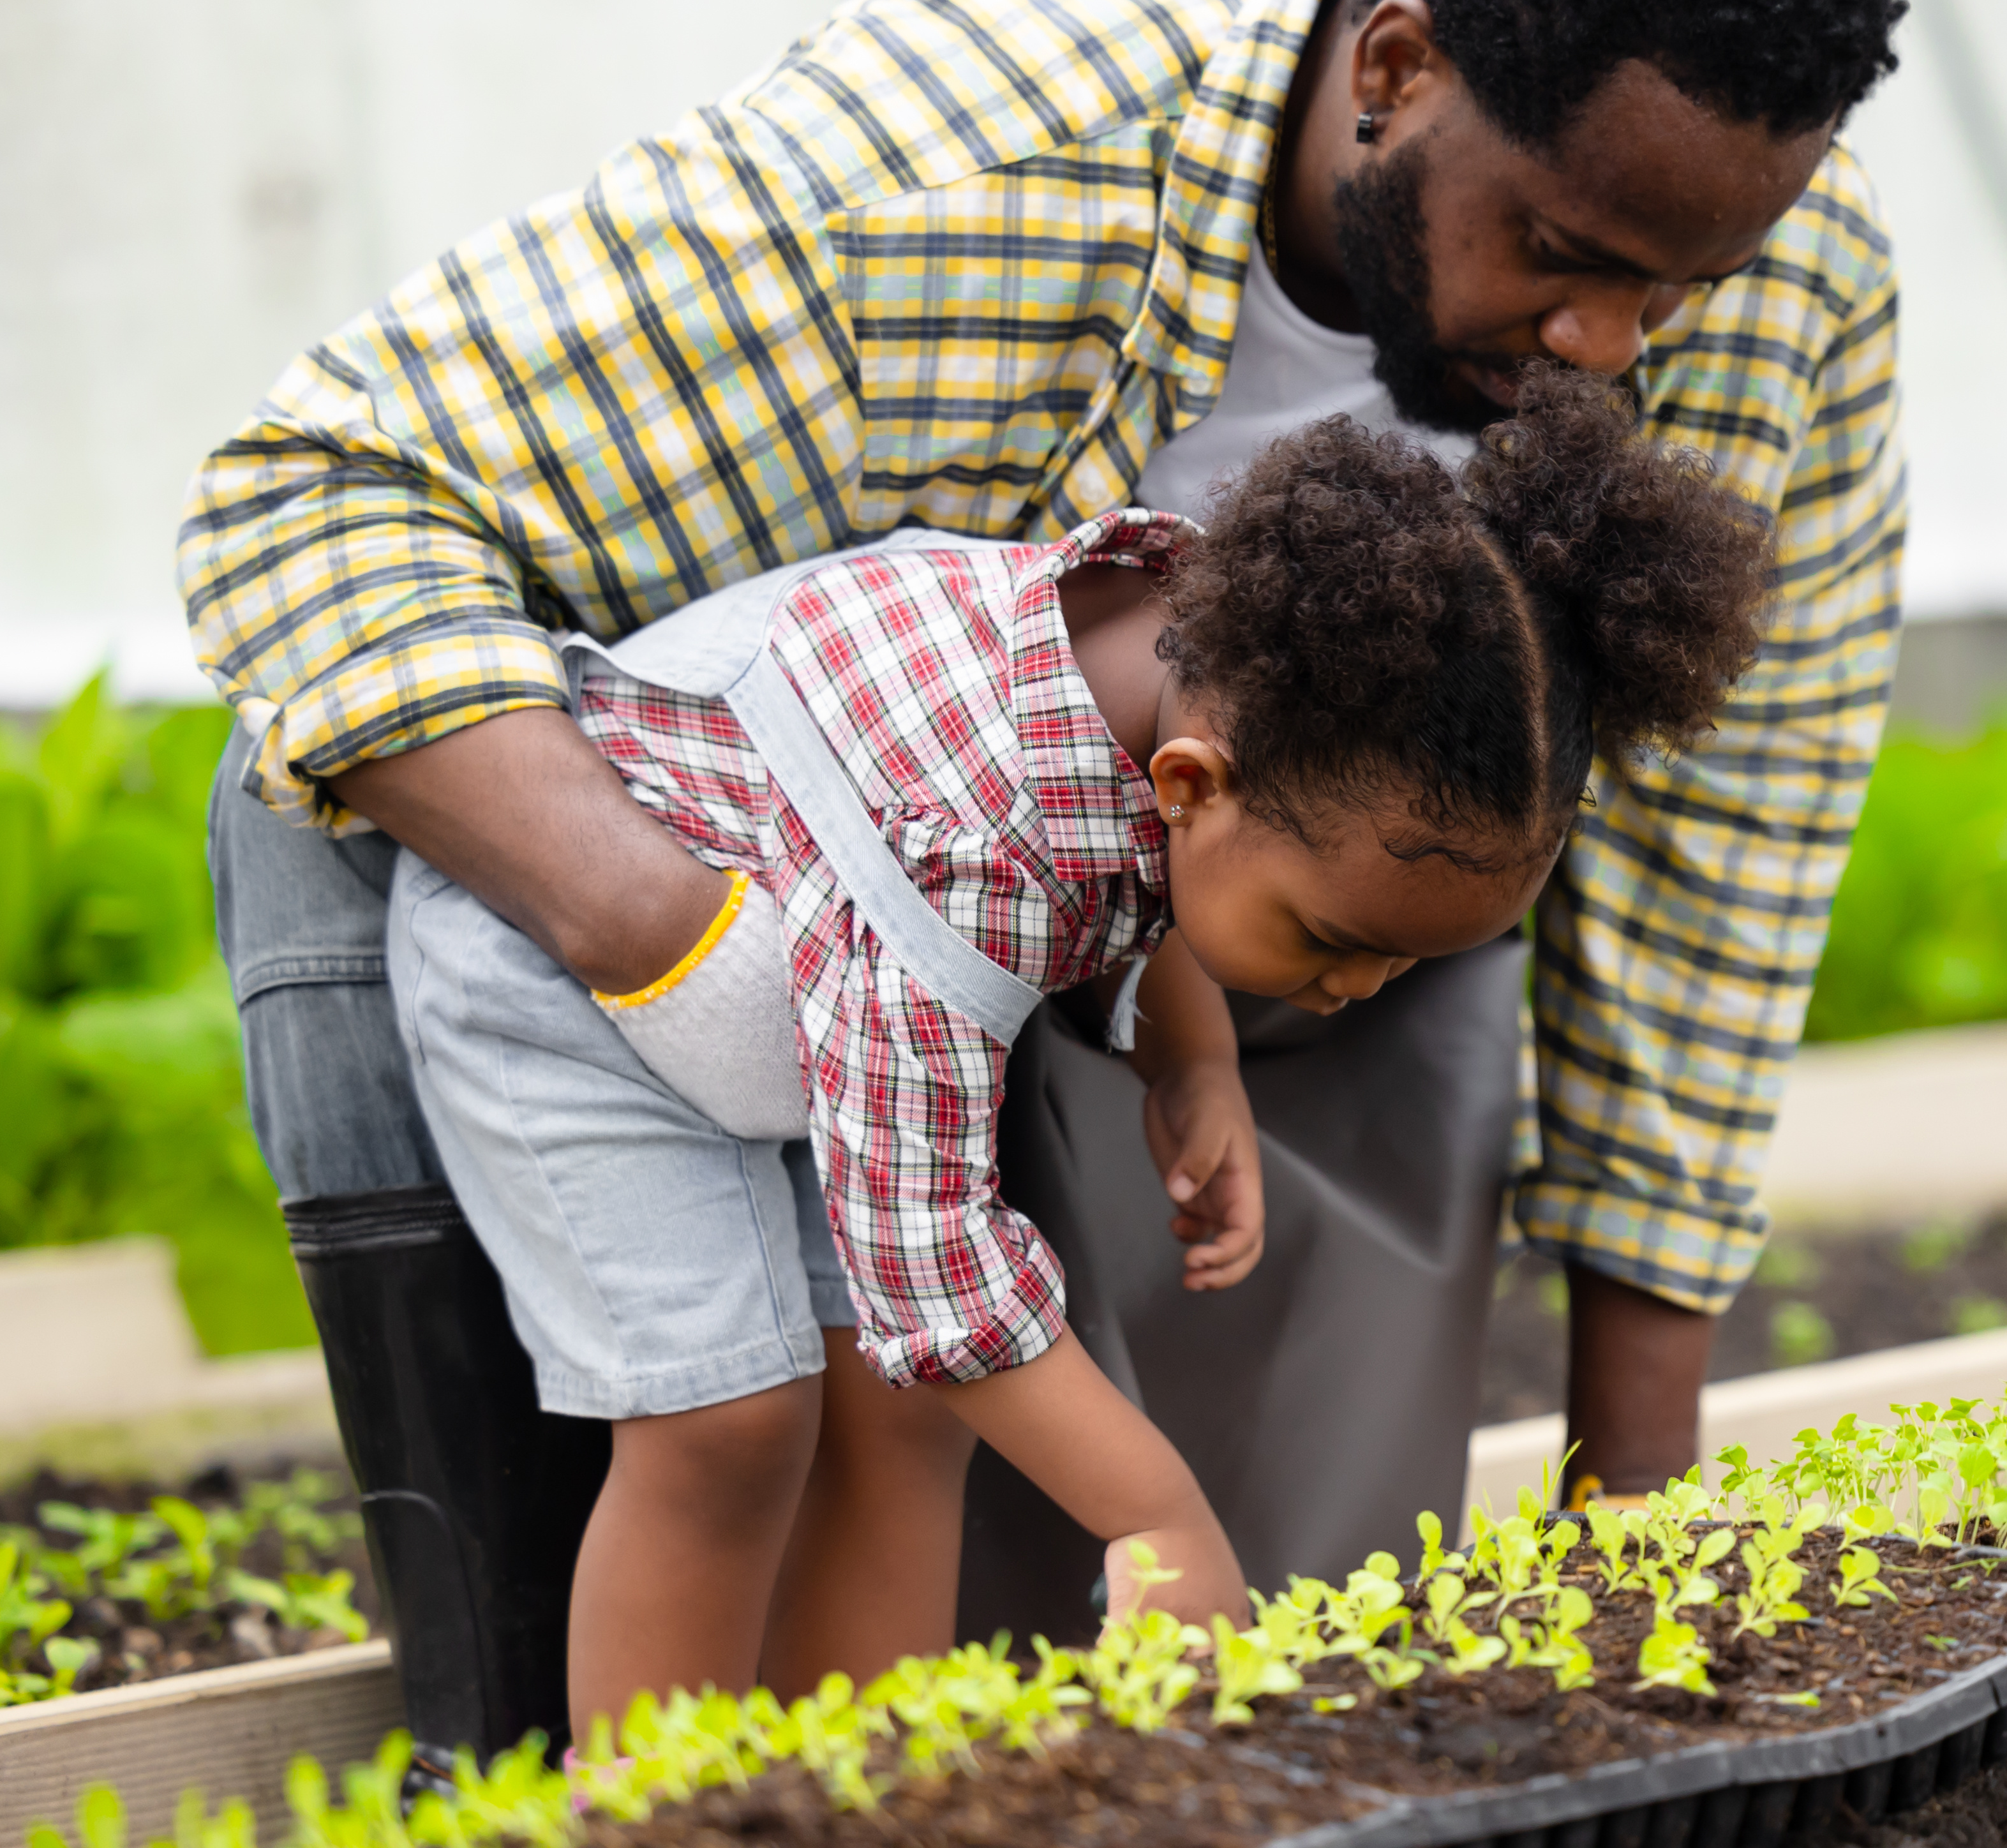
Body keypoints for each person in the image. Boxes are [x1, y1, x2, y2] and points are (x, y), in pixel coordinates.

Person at [189, 0, 1907, 1761]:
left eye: (1672, 288)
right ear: (1398, 68)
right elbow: (308, 498)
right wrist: (672, 934)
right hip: (729, 900)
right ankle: (599, 1814)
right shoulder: (963, 160)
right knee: (702, 1444)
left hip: (1143, 931)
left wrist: (1636, 1518)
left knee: (1249, 1712)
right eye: (1564, 252)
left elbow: (1725, 848)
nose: (1619, 345)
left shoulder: (1779, 263)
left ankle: (878, 1815)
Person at [383, 382, 1769, 1728]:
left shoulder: (1197, 655)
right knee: (726, 1420)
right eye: (1336, 939)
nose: (1356, 991)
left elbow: (1136, 857)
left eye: (1407, 966)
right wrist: (1151, 1509)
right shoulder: (975, 839)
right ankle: (637, 1847)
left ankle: (852, 1817)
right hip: (565, 986)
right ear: (1195, 786)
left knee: (899, 1407)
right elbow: (932, 1256)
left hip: (788, 973)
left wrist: (1194, 1061)